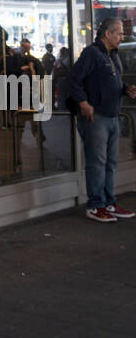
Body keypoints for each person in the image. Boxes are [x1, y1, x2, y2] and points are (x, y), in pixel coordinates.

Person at [66, 17, 136, 221]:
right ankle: (95, 205)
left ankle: (108, 202)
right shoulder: (92, 53)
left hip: (112, 116)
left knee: (110, 162)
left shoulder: (112, 55)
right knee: (97, 162)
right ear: (108, 34)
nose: (122, 37)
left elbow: (108, 82)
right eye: (119, 33)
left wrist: (125, 89)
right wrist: (83, 103)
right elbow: (73, 79)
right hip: (96, 117)